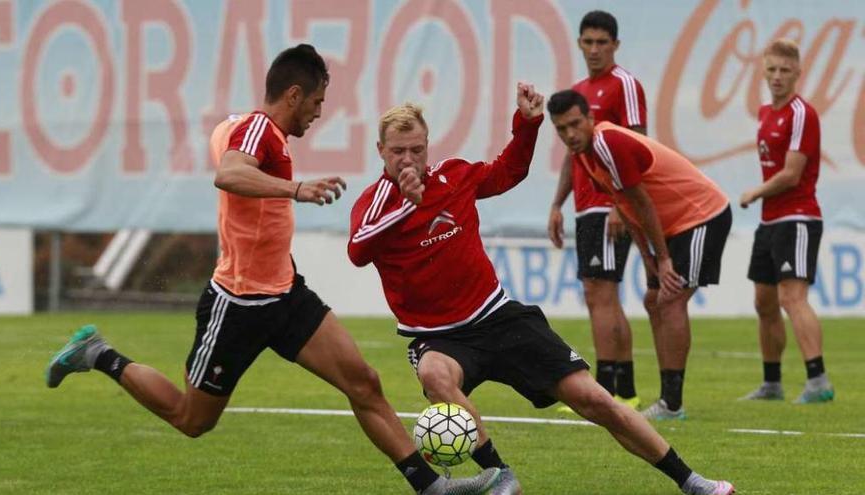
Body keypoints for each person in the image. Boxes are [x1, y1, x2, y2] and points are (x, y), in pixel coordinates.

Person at [44, 44, 500, 495]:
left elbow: (227, 143)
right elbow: (228, 173)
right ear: (295, 95)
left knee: (363, 382)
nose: (318, 114)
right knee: (192, 419)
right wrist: (296, 189)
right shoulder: (260, 130)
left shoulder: (247, 128)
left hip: (285, 294)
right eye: (318, 102)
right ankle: (97, 353)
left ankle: (431, 487)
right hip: (238, 304)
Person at [347, 83, 735, 495]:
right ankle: (501, 477)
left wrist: (528, 125)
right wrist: (407, 203)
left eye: (416, 149)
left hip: (498, 316)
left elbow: (508, 171)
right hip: (437, 337)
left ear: (428, 145)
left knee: (595, 400)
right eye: (397, 151)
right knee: (434, 374)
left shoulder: (454, 175)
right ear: (380, 151)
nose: (408, 159)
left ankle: (692, 482)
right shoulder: (377, 202)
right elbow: (357, 250)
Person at [547, 89, 733, 421]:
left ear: (591, 119)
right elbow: (625, 205)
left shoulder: (606, 143)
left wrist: (661, 259)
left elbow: (643, 202)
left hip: (702, 214)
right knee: (654, 300)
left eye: (575, 124)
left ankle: (671, 404)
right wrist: (649, 259)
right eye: (561, 129)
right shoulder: (585, 155)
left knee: (670, 299)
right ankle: (666, 402)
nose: (570, 134)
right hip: (672, 225)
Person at [548, 10, 643, 408]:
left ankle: (607, 390)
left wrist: (621, 203)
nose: (594, 49)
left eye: (602, 42)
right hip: (587, 207)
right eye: (587, 42)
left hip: (609, 204)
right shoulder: (580, 91)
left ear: (615, 45)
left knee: (601, 293)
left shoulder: (624, 84)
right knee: (601, 294)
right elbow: (573, 157)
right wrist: (557, 204)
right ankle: (625, 390)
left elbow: (637, 145)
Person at [739, 39, 834, 404]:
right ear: (763, 71)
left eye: (784, 70)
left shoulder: (801, 113)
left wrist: (755, 192)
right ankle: (772, 383)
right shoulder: (766, 112)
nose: (777, 77)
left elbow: (792, 174)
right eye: (771, 70)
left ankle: (818, 380)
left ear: (797, 73)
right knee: (764, 302)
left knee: (792, 297)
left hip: (797, 217)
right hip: (770, 222)